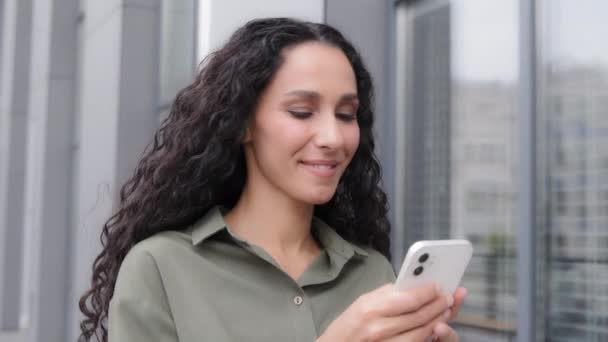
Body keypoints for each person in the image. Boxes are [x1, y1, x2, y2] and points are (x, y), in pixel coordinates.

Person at [78, 17, 466, 342]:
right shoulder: (160, 268)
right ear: (243, 123)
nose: (332, 138)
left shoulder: (372, 272)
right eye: (301, 111)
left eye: (346, 115)